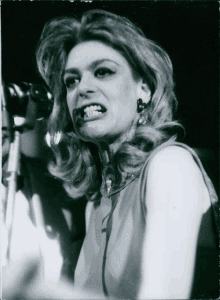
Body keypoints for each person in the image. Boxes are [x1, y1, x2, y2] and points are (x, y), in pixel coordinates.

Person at [3, 9, 219, 299]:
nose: (83, 89)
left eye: (103, 72)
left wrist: (35, 290)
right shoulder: (96, 203)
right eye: (71, 81)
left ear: (143, 89)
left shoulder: (170, 165)